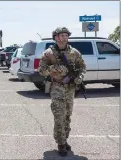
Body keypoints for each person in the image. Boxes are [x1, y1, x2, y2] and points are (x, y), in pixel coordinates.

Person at [38, 27, 86, 156]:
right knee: (59, 117)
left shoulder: (74, 52)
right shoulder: (49, 53)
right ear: (56, 37)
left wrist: (80, 77)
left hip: (70, 89)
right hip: (57, 88)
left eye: (66, 35)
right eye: (61, 35)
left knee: (67, 117)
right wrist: (55, 67)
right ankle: (61, 143)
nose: (64, 37)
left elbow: (82, 66)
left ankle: (65, 139)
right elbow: (41, 71)